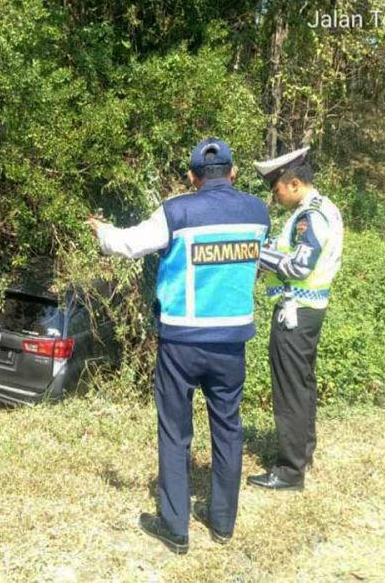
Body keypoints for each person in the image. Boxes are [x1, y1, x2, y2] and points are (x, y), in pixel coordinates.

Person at [87, 138, 270, 554]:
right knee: (228, 429)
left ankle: (175, 526)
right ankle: (222, 523)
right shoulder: (258, 213)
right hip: (231, 343)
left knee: (174, 431)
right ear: (234, 172)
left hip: (181, 341)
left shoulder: (177, 210)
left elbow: (129, 244)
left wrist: (103, 232)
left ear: (191, 177)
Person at [247, 147, 344, 491]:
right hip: (307, 310)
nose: (275, 199)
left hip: (294, 312)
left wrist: (257, 253)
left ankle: (289, 472)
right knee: (302, 383)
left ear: (294, 184)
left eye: (277, 192)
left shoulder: (309, 217)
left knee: (289, 389)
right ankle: (303, 453)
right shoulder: (322, 208)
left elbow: (299, 266)